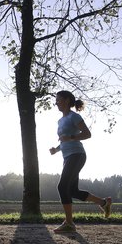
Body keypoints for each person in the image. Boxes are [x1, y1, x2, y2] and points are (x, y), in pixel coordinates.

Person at [48, 90, 111, 233]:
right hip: (67, 157)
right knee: (72, 191)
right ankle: (104, 203)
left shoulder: (74, 116)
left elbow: (87, 134)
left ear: (67, 100)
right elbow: (64, 140)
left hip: (77, 155)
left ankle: (69, 223)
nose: (56, 103)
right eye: (56, 100)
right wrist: (56, 150)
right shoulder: (60, 120)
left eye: (58, 100)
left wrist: (70, 137)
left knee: (62, 186)